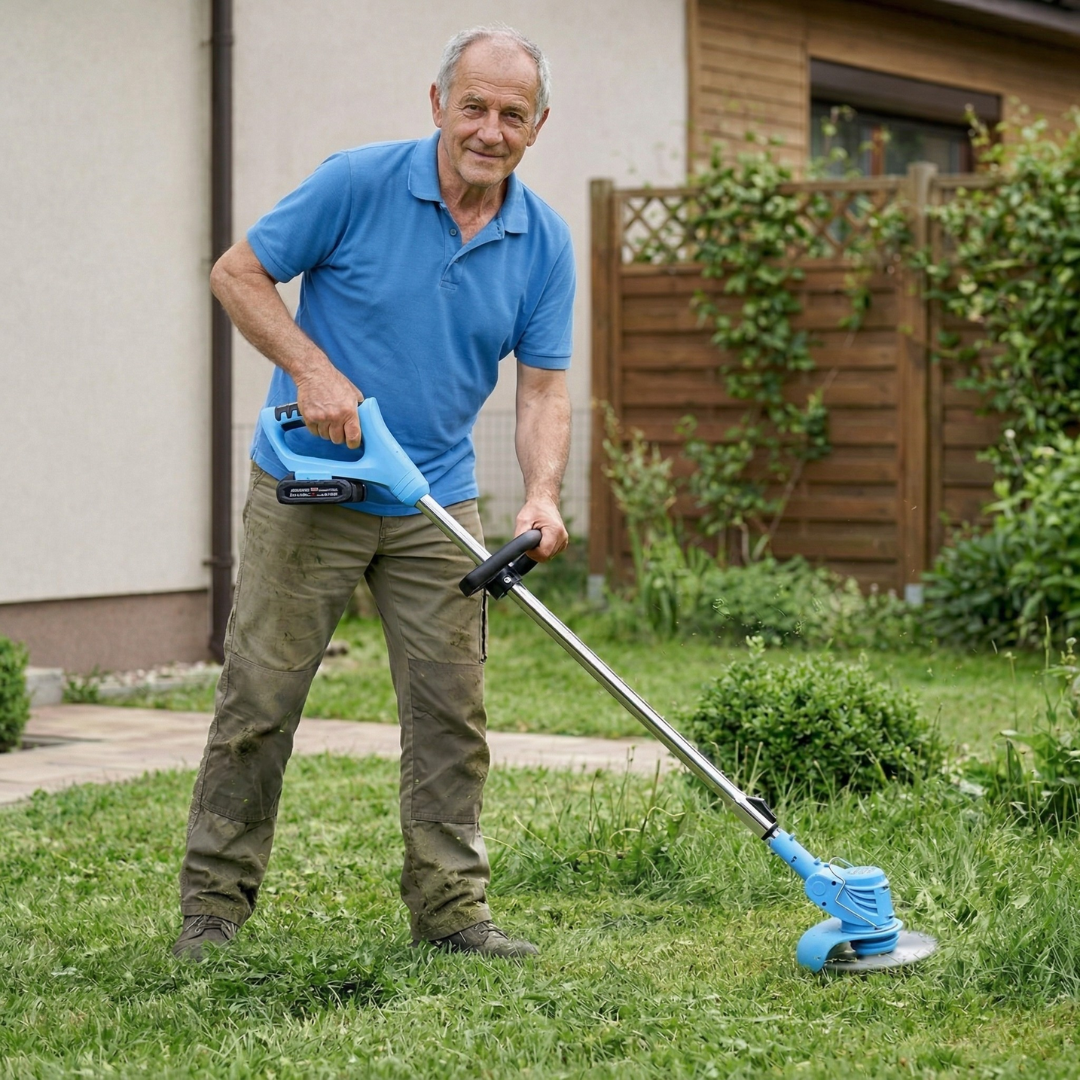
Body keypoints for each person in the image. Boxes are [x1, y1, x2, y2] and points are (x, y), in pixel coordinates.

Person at [173, 25, 574, 961]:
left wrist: (544, 493)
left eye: (512, 114)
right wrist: (310, 369)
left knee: (450, 710)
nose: (490, 129)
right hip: (312, 485)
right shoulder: (356, 183)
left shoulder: (541, 240)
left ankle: (452, 915)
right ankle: (214, 913)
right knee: (261, 701)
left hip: (437, 498)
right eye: (473, 105)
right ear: (438, 103)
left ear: (537, 126)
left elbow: (545, 387)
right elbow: (238, 272)